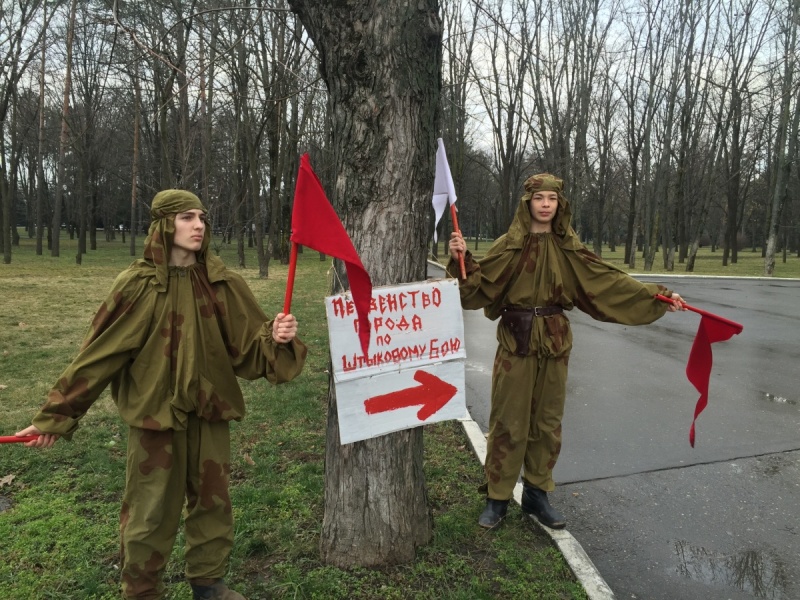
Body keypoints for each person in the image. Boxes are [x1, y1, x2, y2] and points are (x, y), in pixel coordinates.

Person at [15, 189, 307, 600]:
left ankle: (208, 585)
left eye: (202, 217)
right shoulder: (137, 286)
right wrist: (55, 415)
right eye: (187, 217)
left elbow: (251, 349)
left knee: (213, 505)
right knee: (149, 513)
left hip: (209, 412)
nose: (199, 225)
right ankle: (142, 590)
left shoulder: (222, 283)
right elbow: (97, 356)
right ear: (165, 225)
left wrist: (275, 337)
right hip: (156, 419)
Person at [447, 173, 684, 530]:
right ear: (527, 203)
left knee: (547, 422)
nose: (545, 204)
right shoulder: (509, 246)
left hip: (555, 343)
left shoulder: (569, 249)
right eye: (539, 198)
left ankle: (537, 494)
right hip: (517, 341)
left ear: (560, 205)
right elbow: (473, 291)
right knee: (509, 421)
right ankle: (497, 498)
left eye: (552, 199)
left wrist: (658, 296)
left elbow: (608, 281)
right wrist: (460, 260)